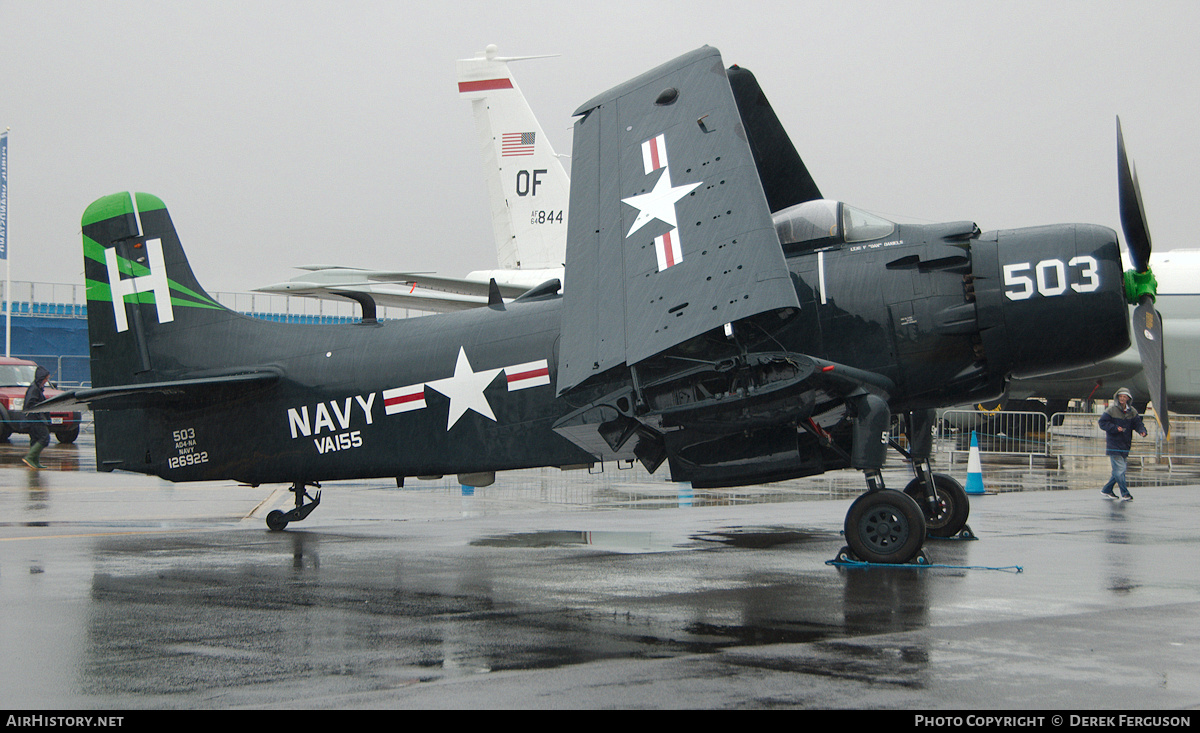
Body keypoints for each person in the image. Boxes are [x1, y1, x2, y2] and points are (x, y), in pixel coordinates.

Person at [1098, 387, 1147, 501]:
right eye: (1120, 396)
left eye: (1124, 397)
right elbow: (1102, 423)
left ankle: (1106, 490)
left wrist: (1142, 431)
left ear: (1128, 399)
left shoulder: (1132, 411)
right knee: (1120, 470)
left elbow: (1138, 423)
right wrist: (1115, 428)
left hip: (1125, 444)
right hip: (1113, 444)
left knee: (1119, 470)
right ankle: (1125, 493)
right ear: (1117, 397)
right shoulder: (1111, 410)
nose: (1122, 399)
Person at [21, 366, 52, 470]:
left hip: (35, 418)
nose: (46, 381)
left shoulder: (37, 388)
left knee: (35, 439)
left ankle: (35, 461)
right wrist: (43, 404)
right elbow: (31, 403)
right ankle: (30, 457)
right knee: (44, 438)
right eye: (46, 379)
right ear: (41, 378)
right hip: (34, 419)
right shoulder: (34, 389)